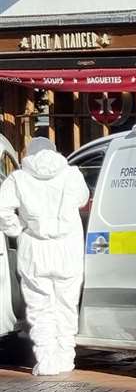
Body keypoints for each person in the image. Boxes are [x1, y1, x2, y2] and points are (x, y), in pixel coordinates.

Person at [0, 136, 89, 376]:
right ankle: (65, 358)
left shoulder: (18, 178)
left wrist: (16, 228)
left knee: (40, 308)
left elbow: (2, 208)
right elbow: (82, 200)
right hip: (67, 249)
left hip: (34, 250)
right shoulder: (72, 174)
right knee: (66, 305)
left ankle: (47, 360)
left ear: (29, 153)